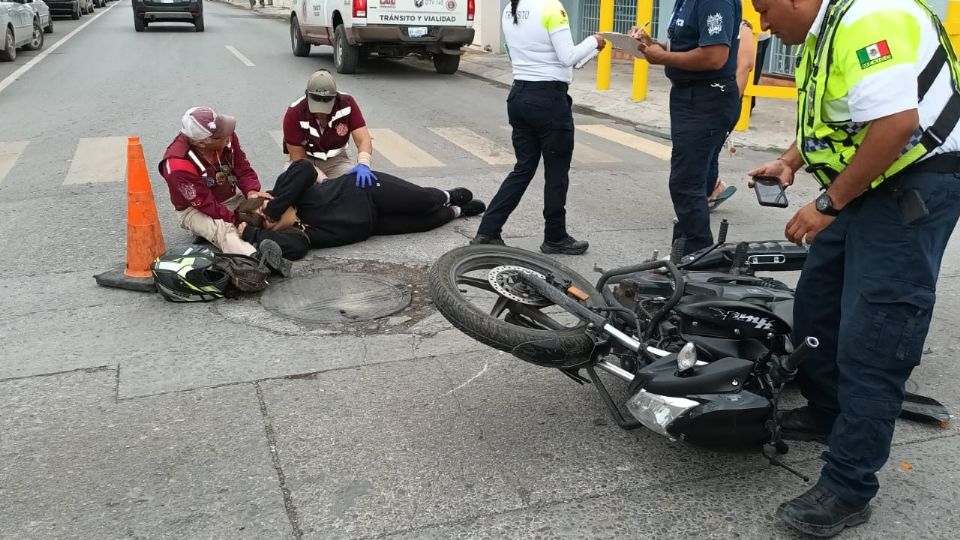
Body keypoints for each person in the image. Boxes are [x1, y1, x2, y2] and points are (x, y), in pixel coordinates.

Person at [749, 0, 960, 536]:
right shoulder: (827, 30)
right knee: (818, 302)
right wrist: (790, 161)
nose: (764, 24)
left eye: (767, 9)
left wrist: (827, 204)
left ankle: (849, 485)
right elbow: (842, 119)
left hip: (915, 182)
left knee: (876, 332)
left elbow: (894, 124)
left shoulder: (870, 16)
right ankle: (828, 410)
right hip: (870, 180)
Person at [470, 0, 606, 255]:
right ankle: (555, 237)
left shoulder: (510, 8)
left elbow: (561, 60)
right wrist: (594, 40)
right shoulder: (552, 8)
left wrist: (593, 49)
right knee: (556, 172)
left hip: (520, 94)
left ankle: (488, 231)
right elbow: (568, 57)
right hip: (548, 101)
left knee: (523, 168)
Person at [630, 0, 742, 255]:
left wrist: (664, 57)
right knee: (691, 182)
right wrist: (652, 44)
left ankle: (698, 254)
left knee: (685, 182)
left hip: (707, 98)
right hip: (688, 97)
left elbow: (715, 56)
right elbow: (689, 43)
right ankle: (687, 253)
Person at [236, 160, 487, 259]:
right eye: (266, 221)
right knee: (428, 221)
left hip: (365, 189)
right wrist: (252, 234)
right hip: (371, 225)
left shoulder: (284, 189)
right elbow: (297, 249)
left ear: (266, 197)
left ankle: (446, 196)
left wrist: (274, 207)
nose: (270, 217)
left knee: (424, 201)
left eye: (265, 208)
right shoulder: (292, 236)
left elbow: (303, 167)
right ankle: (456, 211)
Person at [159, 106, 291, 276]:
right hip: (195, 209)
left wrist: (252, 192)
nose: (229, 134)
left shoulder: (224, 136)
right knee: (224, 229)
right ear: (202, 142)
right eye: (223, 134)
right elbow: (207, 205)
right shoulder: (177, 164)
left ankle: (295, 234)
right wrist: (235, 220)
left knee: (268, 206)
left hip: (229, 196)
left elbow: (242, 167)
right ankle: (255, 260)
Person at [282, 69, 376, 185]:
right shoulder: (294, 113)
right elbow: (298, 157)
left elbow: (363, 139)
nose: (321, 113)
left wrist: (363, 163)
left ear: (335, 97)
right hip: (306, 160)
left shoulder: (347, 104)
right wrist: (323, 180)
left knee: (350, 189)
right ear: (307, 96)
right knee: (295, 190)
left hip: (337, 160)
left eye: (326, 105)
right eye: (317, 106)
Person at [708, 19, 758, 211]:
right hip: (706, 99)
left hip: (725, 101)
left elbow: (745, 66)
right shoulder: (713, 24)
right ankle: (712, 187)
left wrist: (730, 101)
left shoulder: (742, 28)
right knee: (706, 150)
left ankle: (710, 191)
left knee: (709, 151)